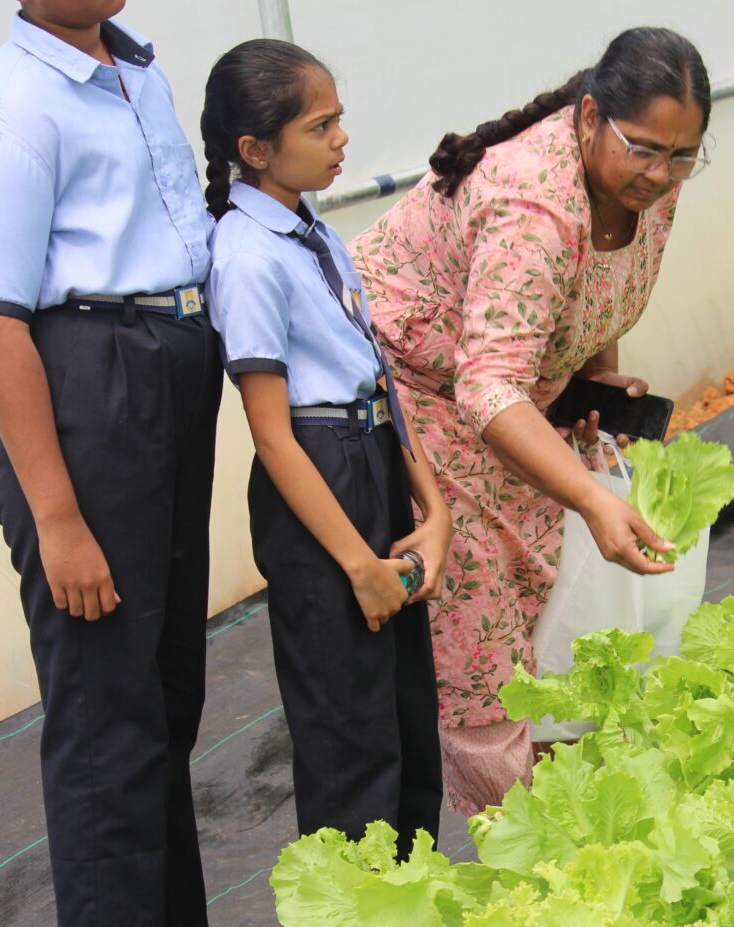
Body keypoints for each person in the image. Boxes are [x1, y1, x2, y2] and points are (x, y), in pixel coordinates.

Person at [351, 26, 712, 814]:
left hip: (508, 400)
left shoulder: (650, 180)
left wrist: (592, 376)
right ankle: (522, 841)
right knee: (482, 641)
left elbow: (601, 280)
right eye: (645, 150)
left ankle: (563, 812)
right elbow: (486, 387)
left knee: (538, 606)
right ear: (589, 119)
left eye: (683, 156)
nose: (661, 173)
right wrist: (592, 499)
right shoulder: (531, 206)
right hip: (415, 397)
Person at [0, 1, 221, 924]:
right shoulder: (16, 106)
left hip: (167, 366)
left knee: (166, 694)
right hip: (89, 380)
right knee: (105, 713)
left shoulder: (137, 71)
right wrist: (57, 519)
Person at [201, 39, 450, 859]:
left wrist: (434, 507)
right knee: (351, 733)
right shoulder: (245, 256)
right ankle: (355, 901)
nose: (342, 138)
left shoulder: (316, 233)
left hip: (372, 453)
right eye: (320, 125)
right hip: (319, 474)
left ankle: (412, 893)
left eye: (339, 119)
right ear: (255, 149)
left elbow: (379, 375)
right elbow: (272, 435)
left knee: (407, 718)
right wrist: (358, 564)